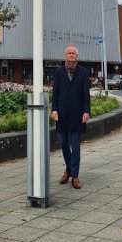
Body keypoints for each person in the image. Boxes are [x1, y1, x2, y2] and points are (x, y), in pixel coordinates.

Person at [51, 45, 90, 189]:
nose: (71, 55)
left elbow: (86, 94)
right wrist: (54, 109)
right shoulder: (59, 72)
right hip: (61, 114)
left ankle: (75, 176)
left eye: (73, 53)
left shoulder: (83, 72)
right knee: (62, 143)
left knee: (75, 146)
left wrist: (86, 111)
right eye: (69, 53)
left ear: (77, 56)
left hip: (77, 114)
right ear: (65, 55)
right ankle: (68, 169)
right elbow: (55, 93)